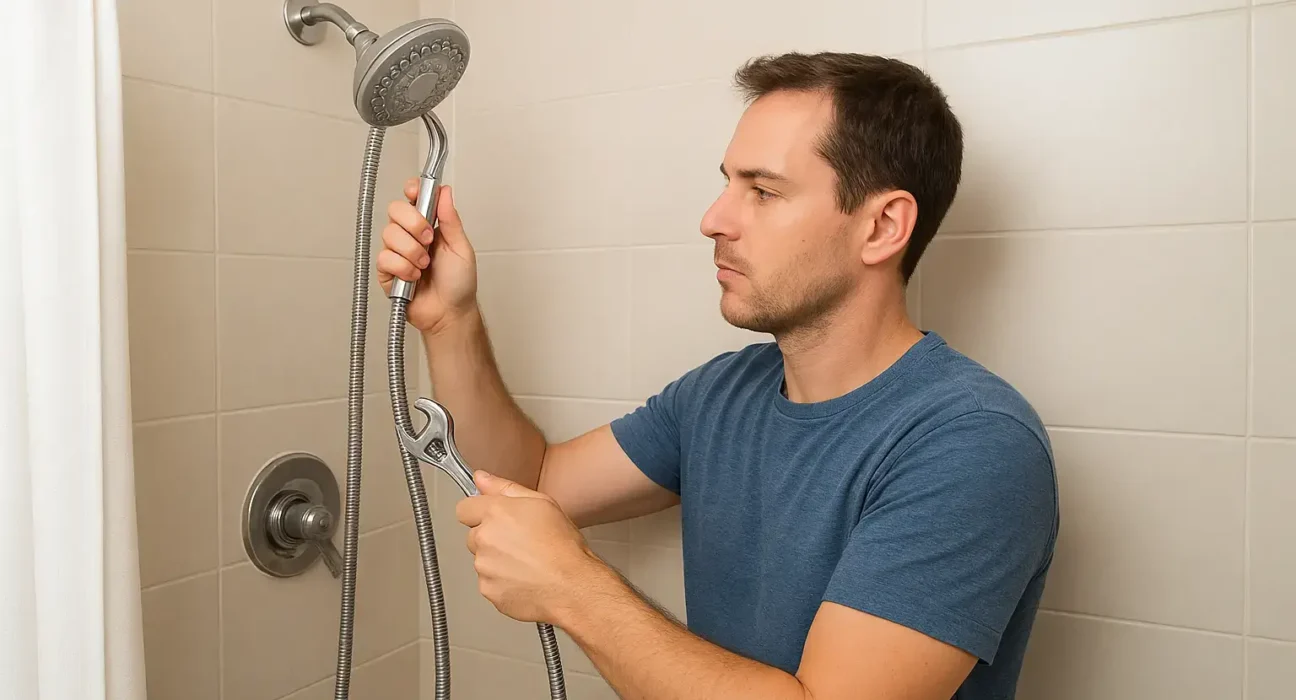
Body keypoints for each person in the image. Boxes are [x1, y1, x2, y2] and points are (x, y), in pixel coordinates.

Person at [377, 51, 1058, 700]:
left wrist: (574, 588)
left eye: (763, 191)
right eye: (728, 183)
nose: (713, 220)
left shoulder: (972, 444)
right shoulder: (722, 394)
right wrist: (451, 321)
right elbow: (533, 480)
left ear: (882, 227)